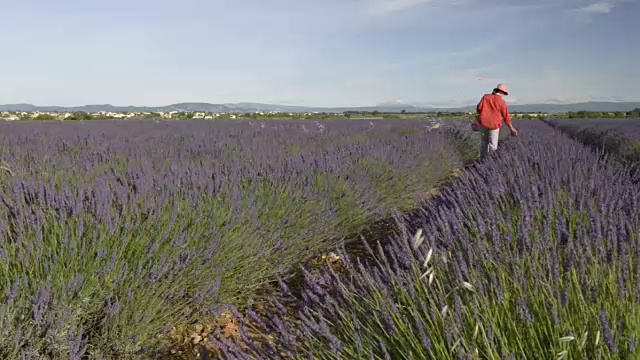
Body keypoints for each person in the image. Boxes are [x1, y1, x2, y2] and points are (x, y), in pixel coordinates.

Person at [474, 84, 518, 159]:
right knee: (493, 145)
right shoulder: (501, 102)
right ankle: (489, 163)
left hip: (483, 124)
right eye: (504, 94)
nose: (503, 95)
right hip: (494, 125)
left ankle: (482, 161)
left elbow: (478, 108)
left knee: (484, 143)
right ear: (501, 92)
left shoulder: (485, 97)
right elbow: (506, 116)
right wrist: (511, 128)